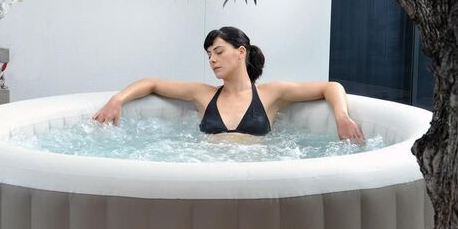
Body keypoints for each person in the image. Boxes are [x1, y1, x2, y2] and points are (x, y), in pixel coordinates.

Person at [92, 26, 366, 144]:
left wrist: (342, 117)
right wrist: (117, 100)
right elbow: (151, 83)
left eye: (219, 52)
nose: (212, 59)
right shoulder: (203, 94)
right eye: (209, 54)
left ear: (241, 52)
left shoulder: (271, 94)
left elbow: (331, 87)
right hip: (209, 172)